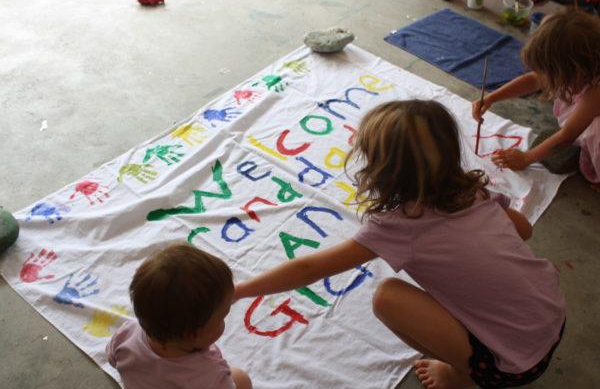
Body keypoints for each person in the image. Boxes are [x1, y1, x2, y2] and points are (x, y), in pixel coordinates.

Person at [234, 100, 565, 389]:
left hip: (511, 365)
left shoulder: (398, 226)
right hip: (552, 314)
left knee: (387, 297)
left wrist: (238, 291)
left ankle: (462, 375)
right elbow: (524, 230)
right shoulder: (475, 192)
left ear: (380, 171)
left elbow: (308, 268)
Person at [472, 8, 600, 191]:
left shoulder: (596, 91)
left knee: (596, 130)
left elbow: (566, 137)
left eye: (550, 72)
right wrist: (492, 98)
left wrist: (526, 158)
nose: (544, 77)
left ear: (575, 69)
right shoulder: (579, 68)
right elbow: (533, 79)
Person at [106, 243, 252, 389]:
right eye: (222, 317)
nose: (224, 322)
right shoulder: (210, 375)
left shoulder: (125, 335)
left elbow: (112, 359)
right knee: (240, 377)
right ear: (194, 335)